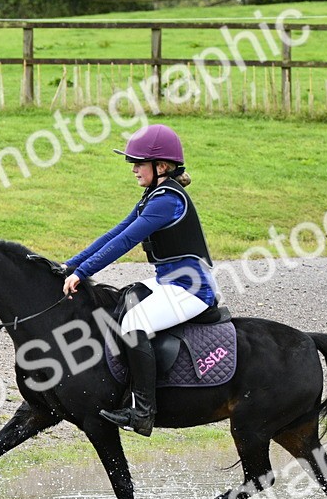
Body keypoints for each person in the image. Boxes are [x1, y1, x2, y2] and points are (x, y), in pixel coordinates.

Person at [61, 124, 218, 437]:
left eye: (138, 163)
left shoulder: (167, 201)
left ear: (160, 167)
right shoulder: (155, 195)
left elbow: (125, 243)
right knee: (124, 299)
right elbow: (115, 232)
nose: (133, 168)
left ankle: (144, 411)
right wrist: (71, 264)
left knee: (134, 323)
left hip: (192, 289)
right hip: (169, 281)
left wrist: (83, 273)